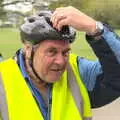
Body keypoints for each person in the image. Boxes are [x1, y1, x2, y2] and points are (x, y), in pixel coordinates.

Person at [0, 6, 120, 120]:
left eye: (65, 52)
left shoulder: (77, 71)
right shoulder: (3, 78)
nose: (61, 61)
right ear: (28, 49)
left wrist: (95, 28)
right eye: (51, 51)